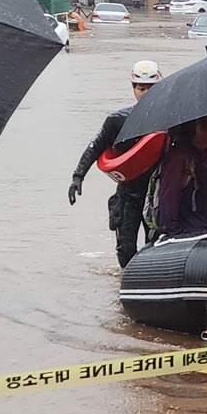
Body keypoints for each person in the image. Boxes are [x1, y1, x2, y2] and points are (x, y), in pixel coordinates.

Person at [68, 60, 163, 266]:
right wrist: (78, 177)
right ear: (133, 89)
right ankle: (123, 288)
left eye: (150, 88)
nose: (145, 93)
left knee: (157, 245)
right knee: (125, 248)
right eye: (141, 88)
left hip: (158, 194)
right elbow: (96, 146)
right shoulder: (118, 120)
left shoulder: (170, 120)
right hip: (128, 193)